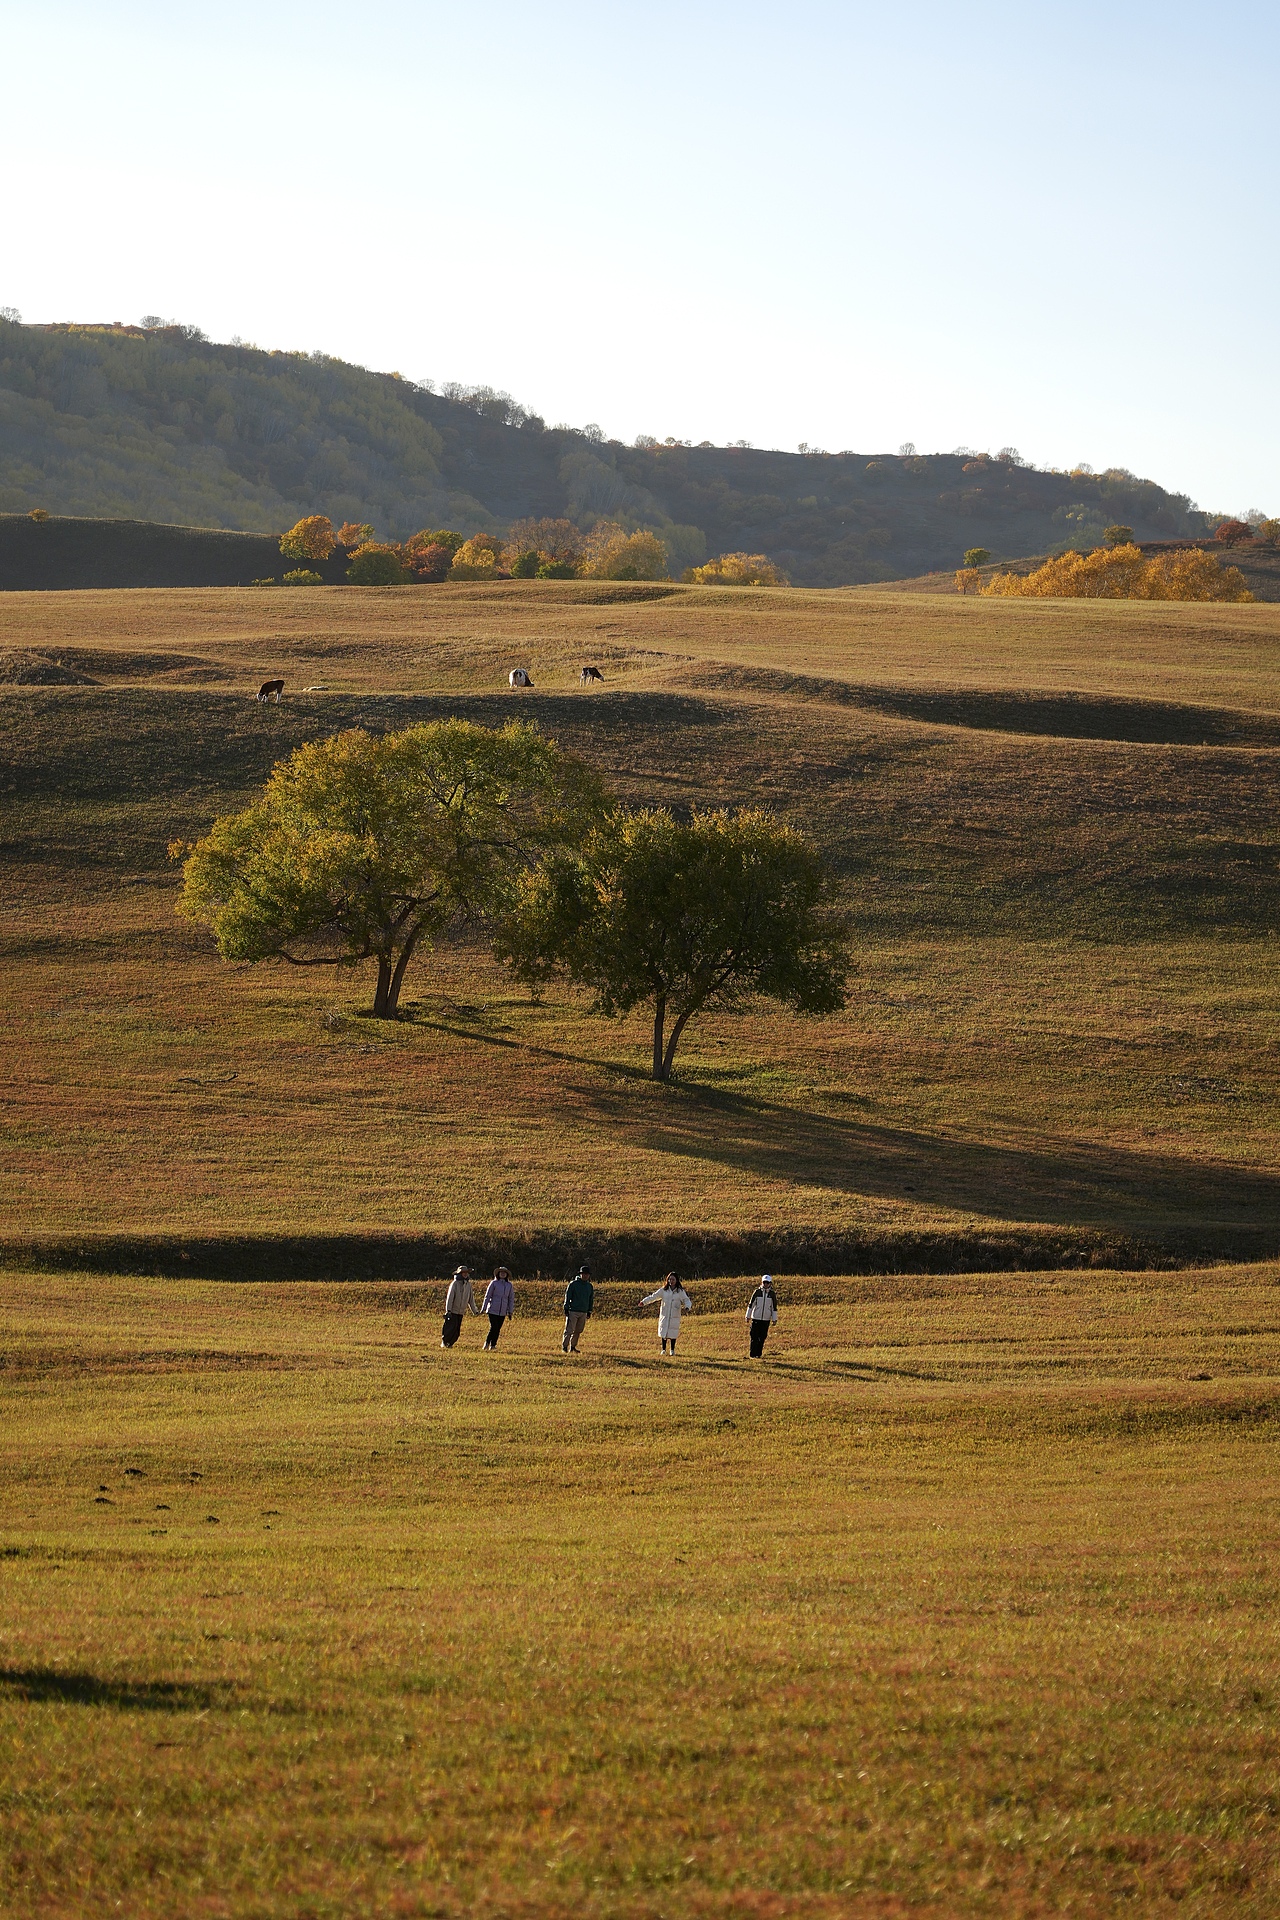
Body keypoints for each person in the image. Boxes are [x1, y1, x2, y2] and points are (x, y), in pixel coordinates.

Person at [640, 1272, 693, 1355]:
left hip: (674, 1315)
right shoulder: (663, 1290)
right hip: (665, 1314)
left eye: (673, 1279)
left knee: (673, 1332)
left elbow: (686, 1300)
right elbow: (654, 1296)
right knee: (664, 1332)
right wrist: (644, 1302)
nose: (671, 1281)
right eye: (669, 1279)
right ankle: (663, 1349)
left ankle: (672, 1350)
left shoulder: (680, 1292)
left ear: (676, 1280)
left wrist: (687, 1307)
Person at [441, 1264, 479, 1348]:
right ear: (459, 1273)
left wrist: (475, 1311)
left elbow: (471, 1299)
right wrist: (448, 1310)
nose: (465, 1274)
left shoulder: (468, 1285)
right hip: (453, 1311)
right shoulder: (454, 1284)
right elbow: (450, 1298)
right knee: (450, 1328)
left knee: (457, 1331)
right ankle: (445, 1342)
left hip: (461, 1311)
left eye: (466, 1272)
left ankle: (450, 1344)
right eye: (463, 1273)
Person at [562, 1262, 594, 1353]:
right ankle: (564, 1347)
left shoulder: (589, 1286)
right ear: (580, 1274)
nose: (585, 1276)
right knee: (569, 1330)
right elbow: (568, 1296)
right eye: (583, 1274)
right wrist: (566, 1307)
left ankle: (573, 1347)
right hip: (573, 1311)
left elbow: (590, 1299)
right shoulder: (573, 1284)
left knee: (578, 1331)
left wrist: (589, 1310)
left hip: (583, 1311)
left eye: (587, 1274)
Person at [481, 1266, 514, 1349]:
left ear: (507, 1275)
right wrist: (484, 1308)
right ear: (498, 1274)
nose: (503, 1274)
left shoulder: (509, 1285)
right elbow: (487, 1296)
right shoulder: (494, 1283)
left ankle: (493, 1345)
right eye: (501, 1272)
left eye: (504, 1273)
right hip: (492, 1309)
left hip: (503, 1311)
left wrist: (510, 1311)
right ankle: (487, 1343)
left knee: (498, 1329)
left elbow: (511, 1298)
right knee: (494, 1327)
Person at [745, 1274, 778, 1357]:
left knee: (762, 1337)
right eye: (764, 1282)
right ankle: (752, 1355)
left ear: (770, 1283)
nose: (765, 1284)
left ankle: (758, 1354)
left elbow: (774, 1307)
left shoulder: (772, 1294)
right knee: (754, 1337)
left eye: (767, 1282)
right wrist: (748, 1316)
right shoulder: (757, 1292)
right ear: (762, 1282)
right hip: (756, 1318)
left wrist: (774, 1319)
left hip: (766, 1319)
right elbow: (751, 1305)